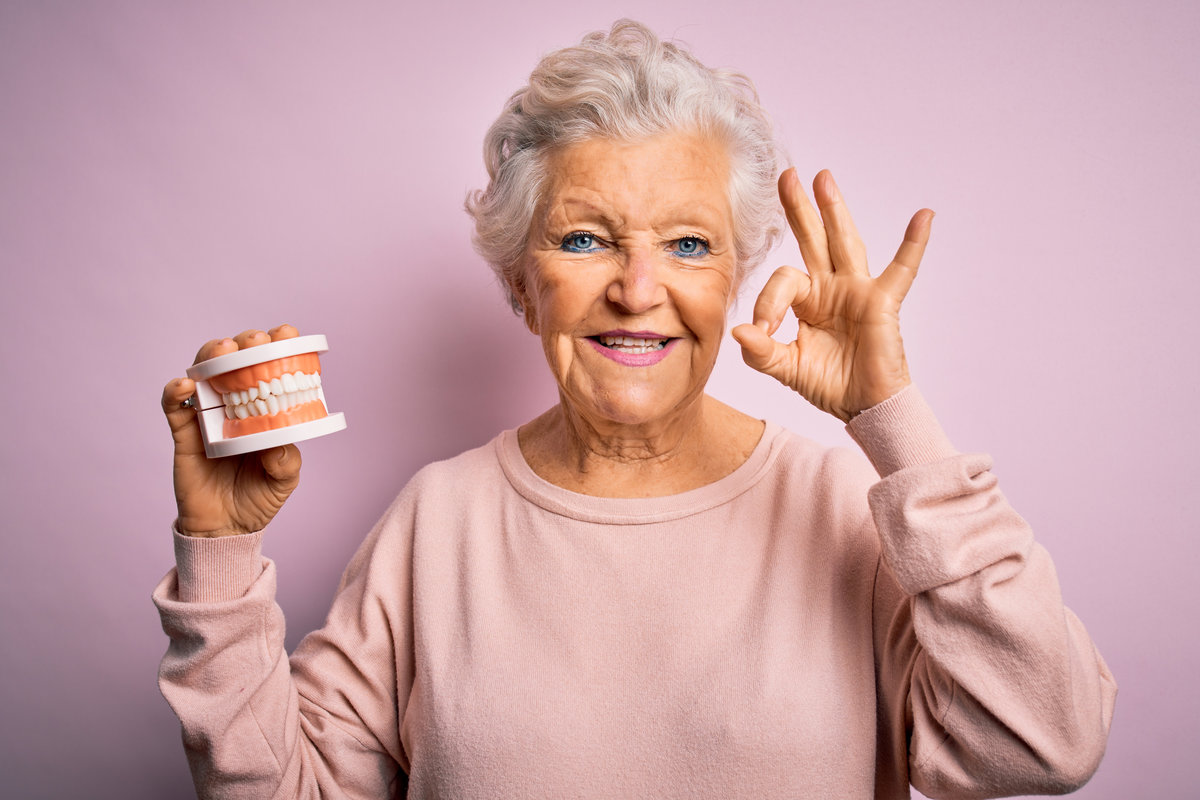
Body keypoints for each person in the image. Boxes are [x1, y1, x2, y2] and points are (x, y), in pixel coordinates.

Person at [155, 19, 1116, 799]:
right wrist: (219, 558)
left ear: (736, 283)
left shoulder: (848, 513)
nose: (639, 287)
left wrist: (893, 420)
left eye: (690, 246)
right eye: (585, 239)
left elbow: (1043, 744)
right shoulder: (435, 524)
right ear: (521, 287)